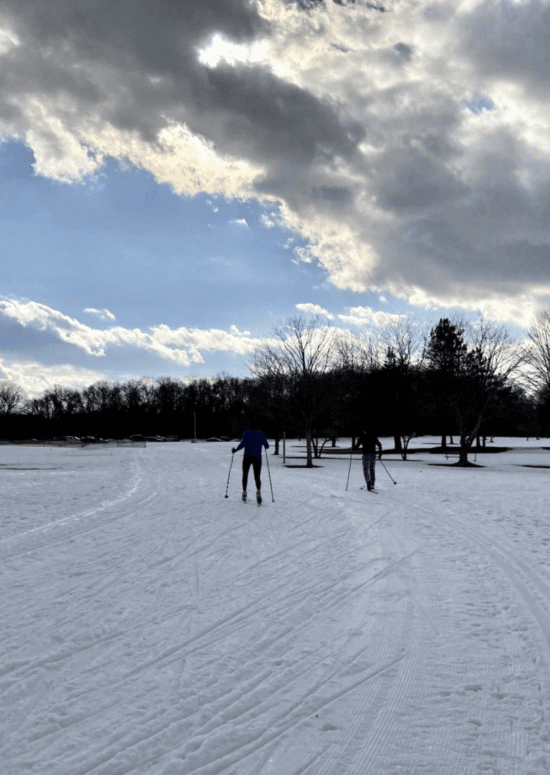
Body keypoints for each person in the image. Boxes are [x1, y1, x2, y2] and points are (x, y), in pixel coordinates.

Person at [232, 419, 270, 503]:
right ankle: (258, 493)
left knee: (245, 475)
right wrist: (264, 443)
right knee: (257, 476)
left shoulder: (246, 433)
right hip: (257, 458)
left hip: (247, 457)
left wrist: (235, 450)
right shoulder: (260, 434)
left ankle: (244, 493)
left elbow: (242, 444)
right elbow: (267, 446)